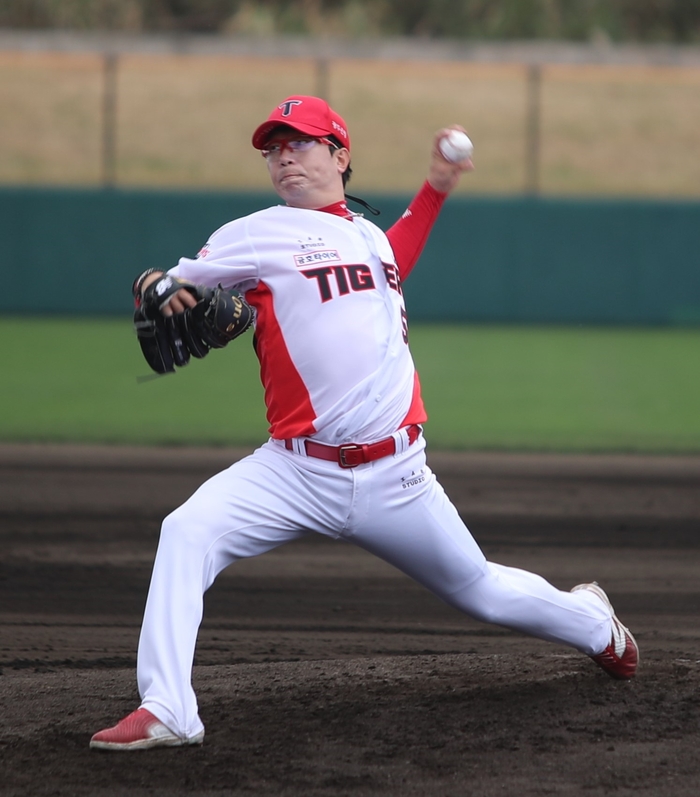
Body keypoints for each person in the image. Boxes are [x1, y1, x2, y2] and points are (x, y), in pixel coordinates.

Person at [90, 95, 638, 751]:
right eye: (274, 148)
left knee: (481, 590)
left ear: (340, 155)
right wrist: (152, 284)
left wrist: (435, 189)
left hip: (396, 474)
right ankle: (169, 707)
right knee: (186, 531)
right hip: (294, 470)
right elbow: (168, 284)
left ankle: (595, 623)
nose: (284, 156)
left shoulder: (370, 237)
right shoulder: (255, 232)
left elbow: (394, 257)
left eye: (300, 142)